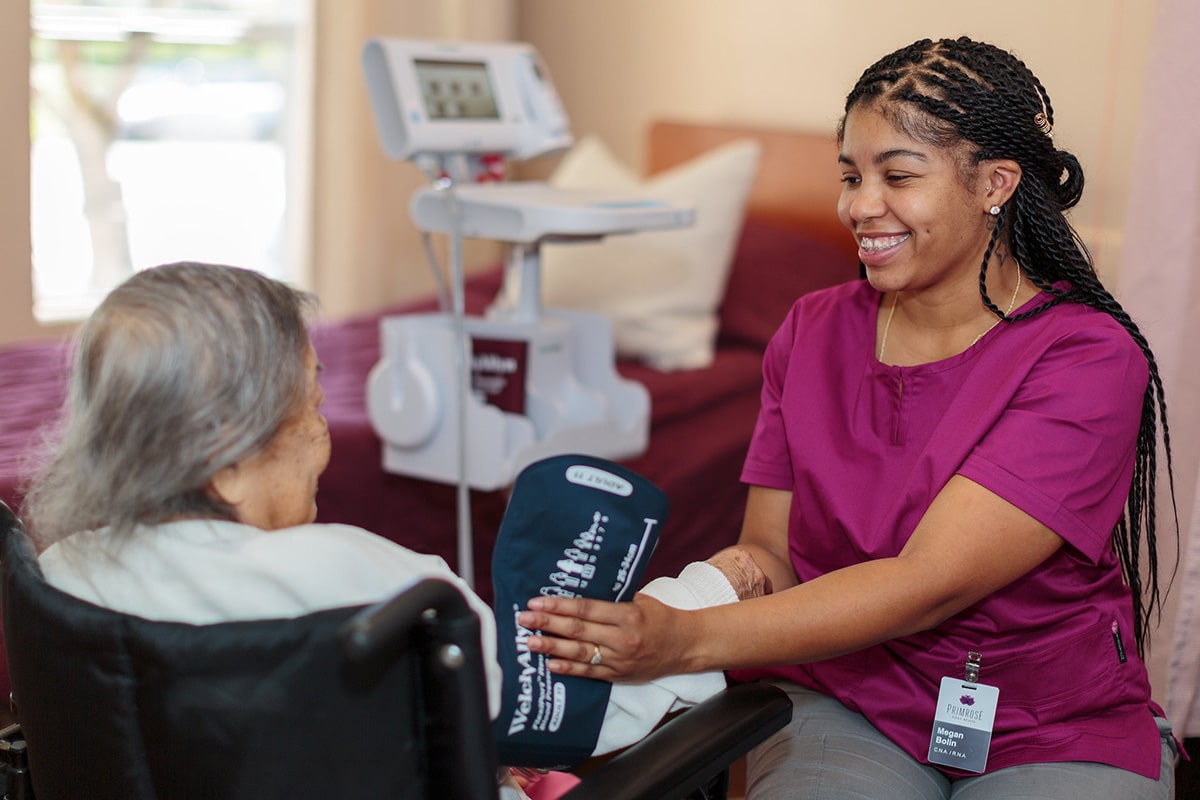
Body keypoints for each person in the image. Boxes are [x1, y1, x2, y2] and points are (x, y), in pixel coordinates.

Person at [514, 37, 1179, 799]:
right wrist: (656, 613)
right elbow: (770, 554)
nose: (860, 206)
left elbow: (931, 582)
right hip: (852, 695)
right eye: (851, 176)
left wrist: (684, 641)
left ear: (995, 184)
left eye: (898, 175)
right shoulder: (814, 329)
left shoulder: (1085, 357)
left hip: (1047, 718)